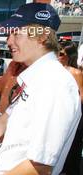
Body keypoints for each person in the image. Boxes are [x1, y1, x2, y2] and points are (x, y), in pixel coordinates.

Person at [0, 3, 81, 175]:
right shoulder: (36, 77)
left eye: (16, 33)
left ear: (42, 36)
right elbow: (5, 119)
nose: (8, 40)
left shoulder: (55, 84)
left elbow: (41, 166)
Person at [58, 41, 83, 175]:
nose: (57, 55)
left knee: (72, 152)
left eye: (61, 53)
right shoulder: (52, 70)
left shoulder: (76, 73)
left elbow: (82, 96)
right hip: (55, 117)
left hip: (72, 118)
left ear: (69, 56)